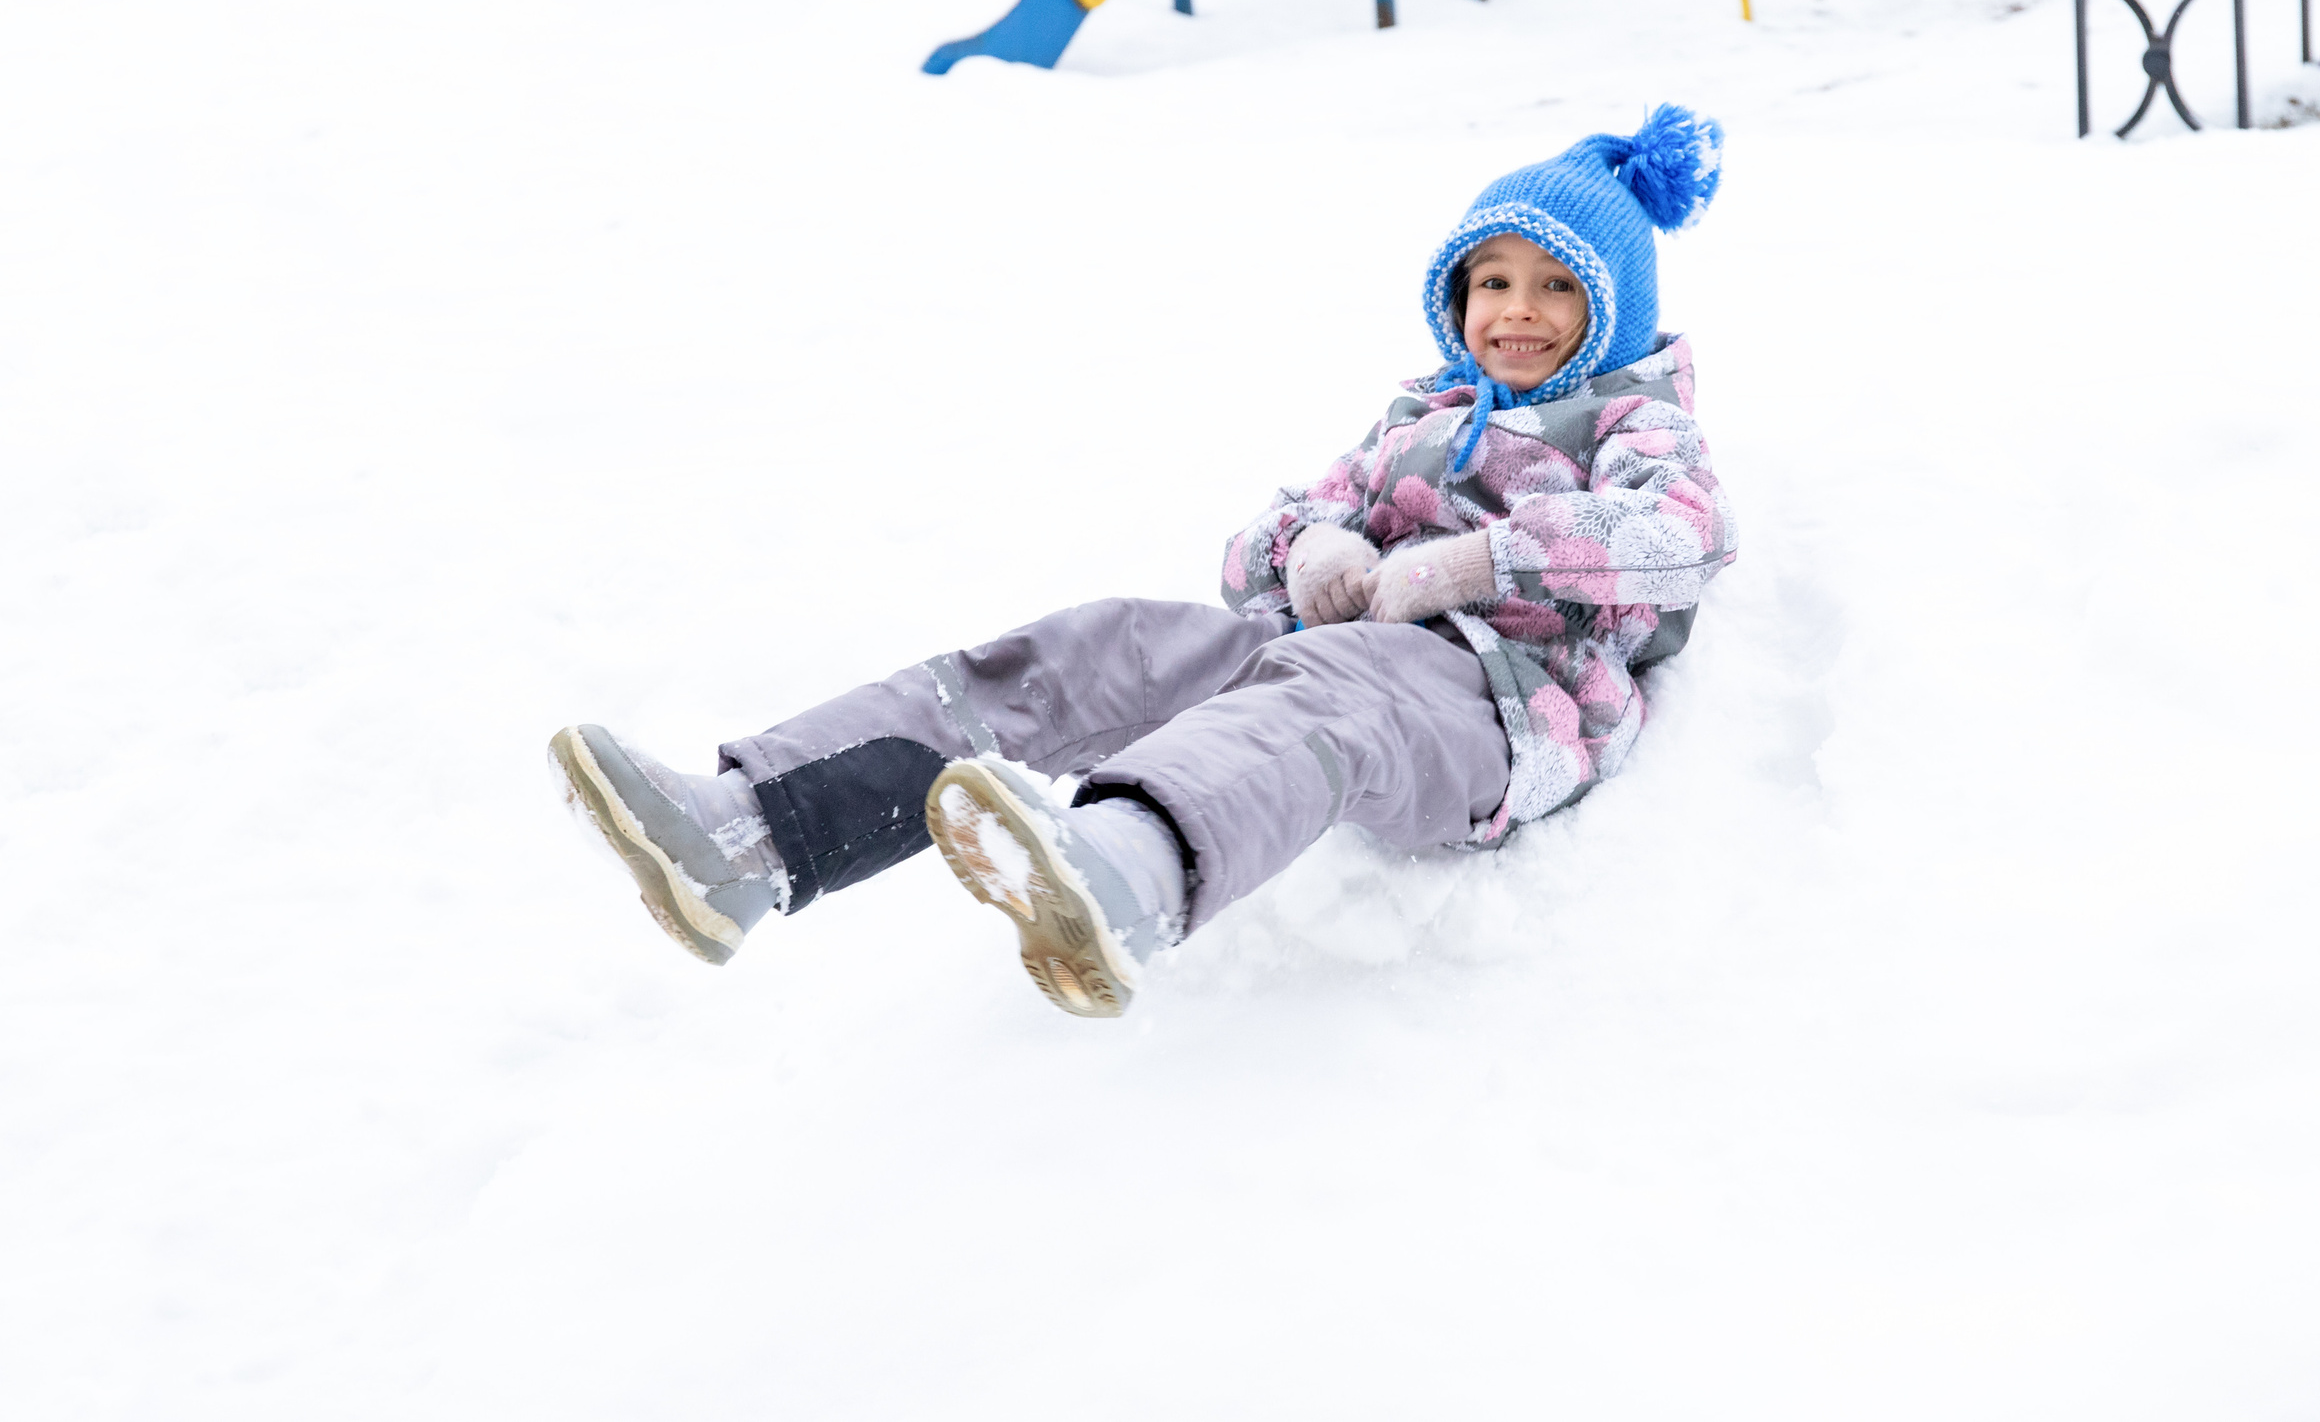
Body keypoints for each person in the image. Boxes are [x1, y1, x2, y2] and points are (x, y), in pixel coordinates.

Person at [548, 105, 1736, 1018]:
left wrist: (1475, 563)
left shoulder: (1637, 424)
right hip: (1339, 645)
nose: (1514, 313)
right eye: (1492, 283)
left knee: (1330, 695)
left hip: (1496, 704)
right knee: (1105, 646)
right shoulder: (1418, 415)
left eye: (1555, 289)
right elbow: (1257, 544)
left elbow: (1678, 541)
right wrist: (1311, 546)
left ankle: (1123, 881)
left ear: (1615, 309)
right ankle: (749, 835)